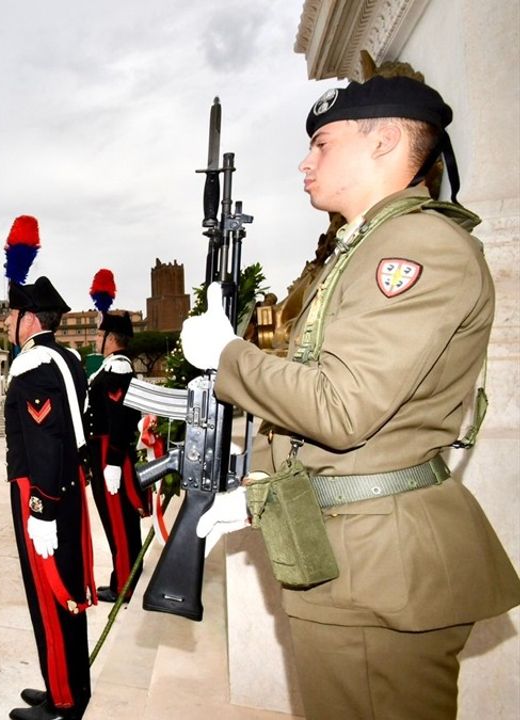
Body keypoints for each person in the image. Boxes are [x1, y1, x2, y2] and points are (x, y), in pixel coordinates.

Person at [181, 76, 520, 720]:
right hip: (351, 555)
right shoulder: (367, 248)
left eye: (322, 143)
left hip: (378, 575)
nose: (307, 162)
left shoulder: (417, 248)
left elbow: (341, 408)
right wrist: (259, 500)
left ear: (385, 140)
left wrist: (228, 355)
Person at [2, 234, 95, 717]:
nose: (4, 322)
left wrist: (41, 507)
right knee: (68, 590)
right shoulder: (67, 359)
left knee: (51, 594)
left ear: (29, 319)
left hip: (42, 492)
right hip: (66, 486)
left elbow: (44, 441)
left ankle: (63, 701)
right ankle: (69, 684)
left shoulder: (34, 366)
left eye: (10, 315)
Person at [82, 310, 150, 603]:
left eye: (99, 335)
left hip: (110, 452)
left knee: (117, 521)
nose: (96, 340)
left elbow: (118, 420)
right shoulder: (112, 368)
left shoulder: (117, 371)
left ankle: (123, 584)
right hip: (107, 452)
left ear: (111, 339)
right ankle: (130, 571)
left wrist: (111, 463)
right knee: (121, 518)